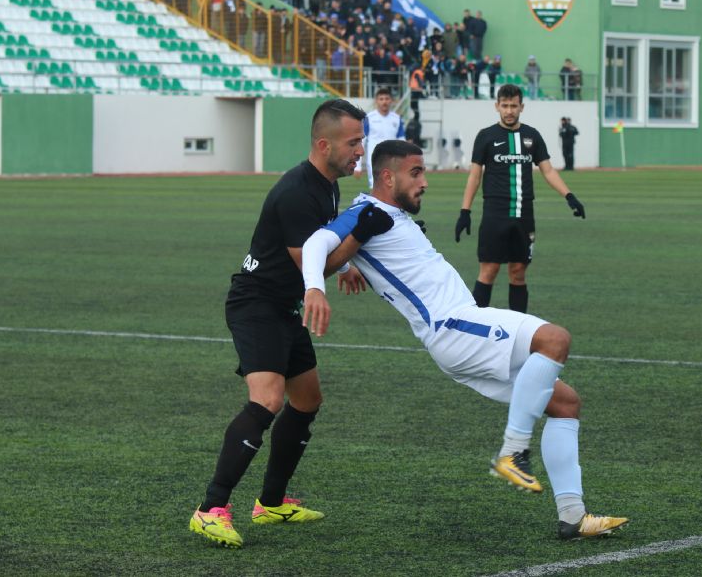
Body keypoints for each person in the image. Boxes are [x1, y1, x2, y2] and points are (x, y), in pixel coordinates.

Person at [300, 140, 629, 540]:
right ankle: (512, 451)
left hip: (459, 329)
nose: (425, 182)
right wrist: (315, 287)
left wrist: (348, 264)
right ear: (387, 177)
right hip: (453, 326)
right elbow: (317, 243)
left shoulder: (384, 214)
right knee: (555, 339)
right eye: (416, 173)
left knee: (565, 403)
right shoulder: (365, 212)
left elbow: (350, 249)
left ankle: (573, 516)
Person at [190, 99, 373, 549]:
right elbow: (310, 262)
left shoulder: (326, 183)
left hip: (285, 304)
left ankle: (270, 503)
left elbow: (324, 242)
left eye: (362, 142)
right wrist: (358, 240)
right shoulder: (296, 191)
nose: (360, 152)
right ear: (323, 144)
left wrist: (346, 261)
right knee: (268, 400)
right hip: (257, 304)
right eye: (353, 143)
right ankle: (210, 509)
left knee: (307, 400)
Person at [456, 84, 585, 314]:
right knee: (489, 270)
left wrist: (570, 196)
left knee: (518, 272)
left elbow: (548, 170)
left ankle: (519, 330)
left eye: (513, 106)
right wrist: (465, 212)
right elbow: (475, 176)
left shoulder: (532, 136)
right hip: (495, 214)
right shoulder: (486, 136)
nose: (509, 111)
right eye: (504, 106)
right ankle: (474, 329)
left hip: (524, 214)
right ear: (497, 106)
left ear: (521, 107)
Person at [360, 87, 405, 189]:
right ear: (376, 101)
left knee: (393, 186)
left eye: (387, 99)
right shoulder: (369, 118)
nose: (384, 102)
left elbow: (402, 140)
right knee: (375, 186)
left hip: (392, 158)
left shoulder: (397, 119)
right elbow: (362, 140)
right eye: (381, 99)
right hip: (374, 158)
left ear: (391, 101)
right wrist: (358, 166)